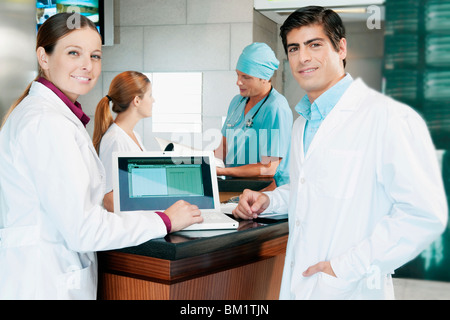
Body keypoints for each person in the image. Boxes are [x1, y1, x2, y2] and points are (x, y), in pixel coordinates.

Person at [232, 6, 448, 299]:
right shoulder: (302, 124)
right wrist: (268, 200)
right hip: (301, 283)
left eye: (315, 44)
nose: (303, 57)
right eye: (294, 48)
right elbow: (309, 189)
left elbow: (424, 214)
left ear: (341, 47)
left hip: (350, 287)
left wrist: (345, 268)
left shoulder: (388, 117)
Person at [0, 13, 202, 300]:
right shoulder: (47, 122)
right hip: (45, 283)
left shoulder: (49, 116)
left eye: (95, 56)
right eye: (73, 53)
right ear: (43, 57)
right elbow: (84, 228)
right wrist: (164, 221)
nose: (87, 65)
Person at [215, 42, 293, 191]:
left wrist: (223, 171)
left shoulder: (276, 108)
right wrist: (203, 161)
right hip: (234, 186)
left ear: (264, 78)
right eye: (237, 74)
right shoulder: (237, 102)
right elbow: (223, 147)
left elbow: (269, 167)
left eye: (246, 77)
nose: (238, 82)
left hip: (267, 192)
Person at [93, 71, 152, 212]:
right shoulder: (115, 139)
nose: (153, 100)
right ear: (137, 100)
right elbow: (109, 200)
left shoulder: (134, 135)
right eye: (150, 95)